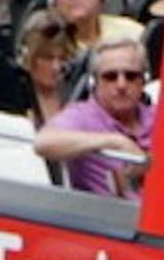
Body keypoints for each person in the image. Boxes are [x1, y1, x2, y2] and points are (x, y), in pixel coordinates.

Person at [34, 35, 154, 197]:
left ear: (144, 81)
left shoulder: (159, 116)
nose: (121, 85)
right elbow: (43, 143)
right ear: (94, 82)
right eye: (110, 77)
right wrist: (115, 142)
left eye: (131, 76)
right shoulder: (82, 116)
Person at [14, 6, 73, 126]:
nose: (57, 67)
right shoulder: (15, 97)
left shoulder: (75, 91)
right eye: (47, 58)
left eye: (62, 58)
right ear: (27, 56)